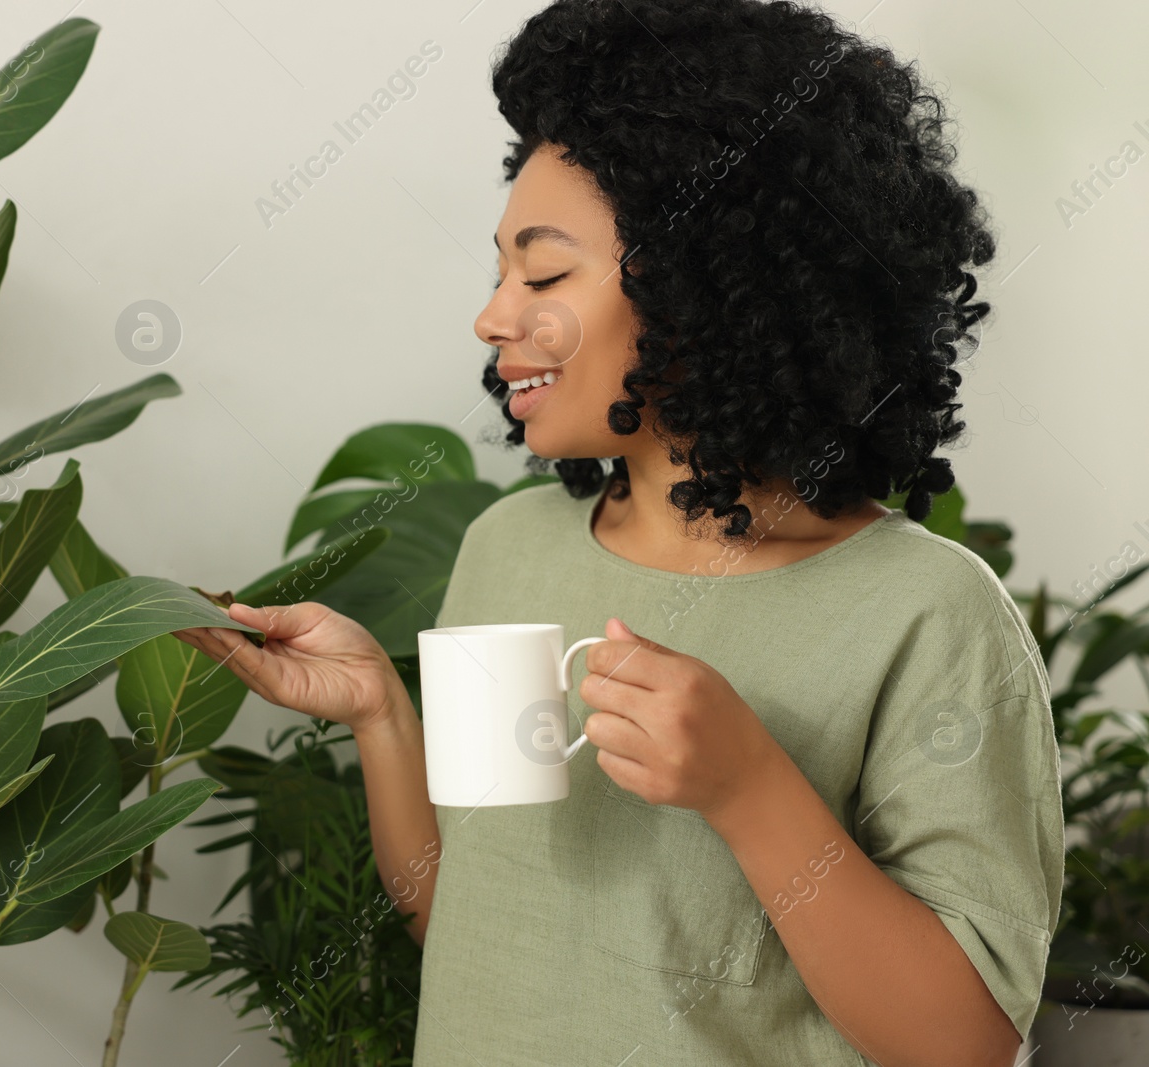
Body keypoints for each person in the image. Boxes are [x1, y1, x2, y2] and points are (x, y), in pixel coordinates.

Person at [173, 1, 1063, 1063]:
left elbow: (961, 1045)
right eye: (501, 271)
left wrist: (749, 790)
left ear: (708, 285)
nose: (494, 316)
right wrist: (379, 714)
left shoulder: (928, 615)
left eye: (542, 274)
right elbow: (464, 922)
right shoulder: (507, 547)